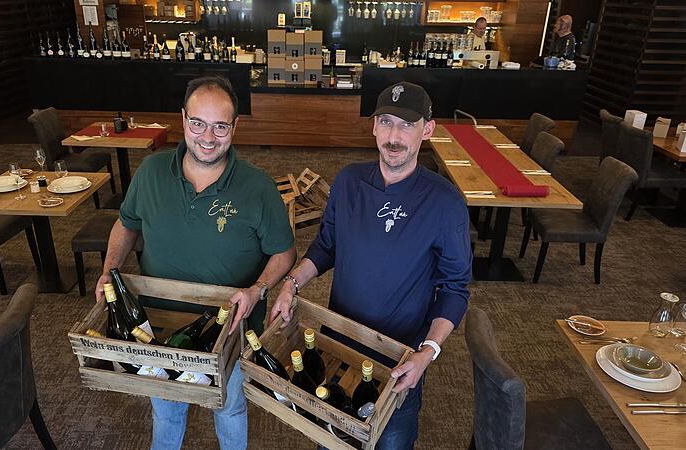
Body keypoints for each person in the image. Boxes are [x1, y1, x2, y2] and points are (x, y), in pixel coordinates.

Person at [95, 76, 296, 450]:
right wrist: (109, 268)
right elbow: (126, 224)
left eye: (220, 126)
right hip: (156, 328)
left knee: (229, 408)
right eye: (198, 123)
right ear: (182, 119)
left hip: (230, 331)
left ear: (235, 127)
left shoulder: (258, 187)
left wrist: (258, 289)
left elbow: (285, 253)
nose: (208, 137)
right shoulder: (152, 172)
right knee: (167, 409)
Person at [270, 81, 472, 449]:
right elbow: (325, 247)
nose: (394, 136)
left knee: (390, 441)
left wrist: (428, 352)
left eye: (407, 125)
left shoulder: (445, 203)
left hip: (399, 361)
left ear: (427, 130)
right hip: (338, 347)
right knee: (332, 438)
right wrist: (292, 283)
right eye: (387, 122)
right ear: (374, 126)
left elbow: (455, 288)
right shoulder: (348, 181)